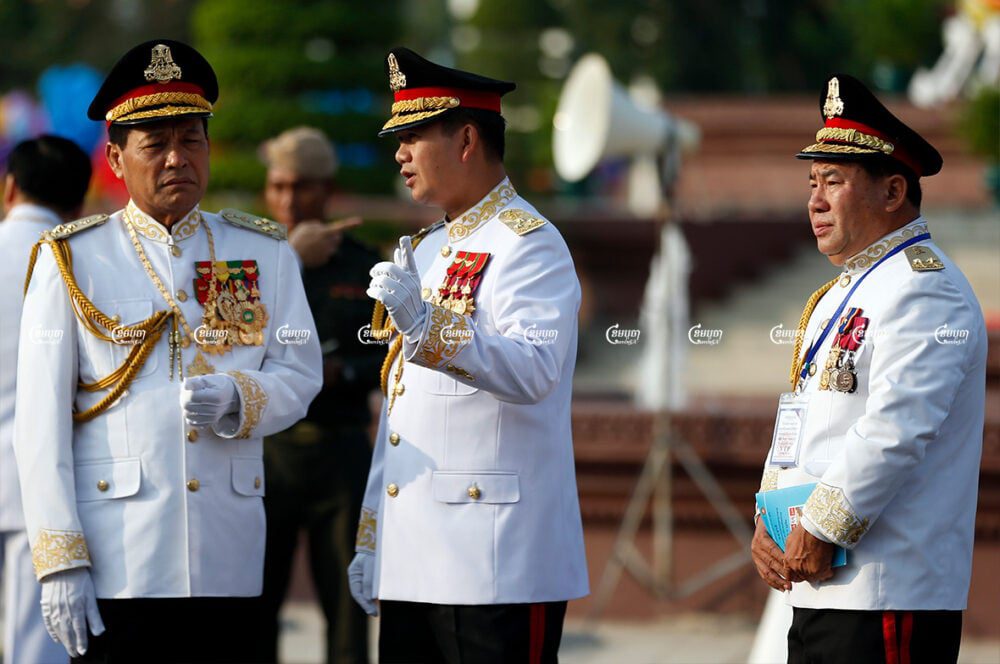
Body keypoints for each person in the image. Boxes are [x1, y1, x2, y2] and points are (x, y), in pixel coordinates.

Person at [13, 39, 322, 663]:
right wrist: (58, 559)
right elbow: (39, 424)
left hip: (227, 554)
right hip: (118, 555)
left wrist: (240, 396)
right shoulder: (73, 258)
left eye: (192, 139)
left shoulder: (257, 252)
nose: (177, 158)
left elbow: (298, 369)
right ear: (117, 159)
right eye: (156, 144)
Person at [347, 47, 589, 663]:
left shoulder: (529, 245)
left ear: (466, 140)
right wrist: (374, 533)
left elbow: (534, 369)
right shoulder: (425, 249)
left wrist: (428, 327)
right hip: (414, 558)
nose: (399, 153)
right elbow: (400, 411)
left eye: (414, 135)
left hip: (496, 560)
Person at [750, 73, 986, 664]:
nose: (815, 200)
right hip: (819, 587)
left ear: (892, 191)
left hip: (889, 590)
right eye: (811, 182)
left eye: (834, 180)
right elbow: (803, 422)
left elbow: (897, 428)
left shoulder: (925, 289)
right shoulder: (838, 294)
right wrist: (768, 517)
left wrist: (822, 527)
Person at [255, 126, 382, 664]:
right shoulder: (252, 257)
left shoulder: (362, 262)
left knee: (348, 610)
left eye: (301, 187)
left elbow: (387, 356)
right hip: (268, 452)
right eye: (277, 186)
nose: (287, 200)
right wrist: (289, 259)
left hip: (340, 448)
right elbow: (227, 340)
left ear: (327, 189)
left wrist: (342, 373)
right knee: (253, 606)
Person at [1, 135, 92, 664]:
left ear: (10, 188)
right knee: (36, 649)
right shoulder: (85, 263)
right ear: (80, 202)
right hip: (39, 487)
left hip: (35, 486)